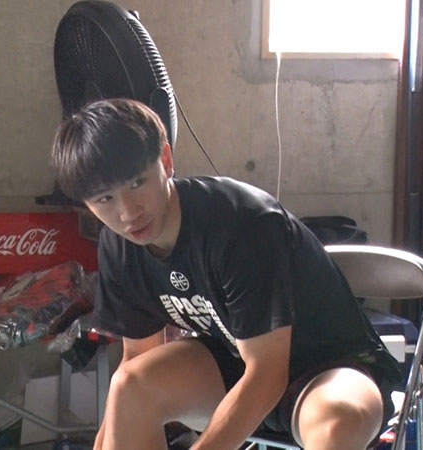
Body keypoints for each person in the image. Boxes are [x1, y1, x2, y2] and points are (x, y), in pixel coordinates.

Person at [50, 98, 403, 450]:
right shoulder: (119, 246)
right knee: (129, 386)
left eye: (137, 182)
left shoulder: (243, 225)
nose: (128, 212)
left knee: (335, 421)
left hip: (330, 367)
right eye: (105, 199)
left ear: (166, 161)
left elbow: (268, 375)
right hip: (234, 364)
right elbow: (138, 359)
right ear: (86, 204)